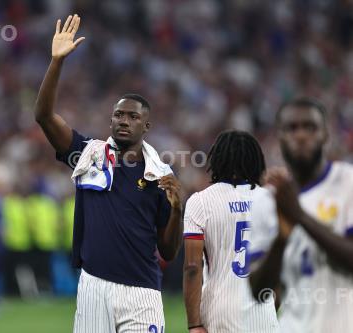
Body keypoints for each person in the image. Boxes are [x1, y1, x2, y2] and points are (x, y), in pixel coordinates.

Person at [34, 14, 183, 333]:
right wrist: (57, 62)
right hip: (94, 288)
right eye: (118, 114)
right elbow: (44, 116)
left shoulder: (160, 175)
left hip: (142, 292)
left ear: (147, 126)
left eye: (132, 116)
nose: (123, 120)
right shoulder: (87, 154)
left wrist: (177, 211)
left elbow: (168, 250)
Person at [249, 97, 353, 332]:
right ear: (280, 137)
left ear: (325, 134)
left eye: (310, 127)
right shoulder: (266, 200)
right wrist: (281, 241)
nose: (301, 135)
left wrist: (300, 217)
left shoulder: (348, 183)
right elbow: (258, 292)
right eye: (292, 128)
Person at [183, 130, 279, 333]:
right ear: (256, 161)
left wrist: (194, 324)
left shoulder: (200, 201)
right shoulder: (272, 200)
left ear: (217, 159)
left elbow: (192, 267)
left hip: (219, 309)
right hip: (262, 309)